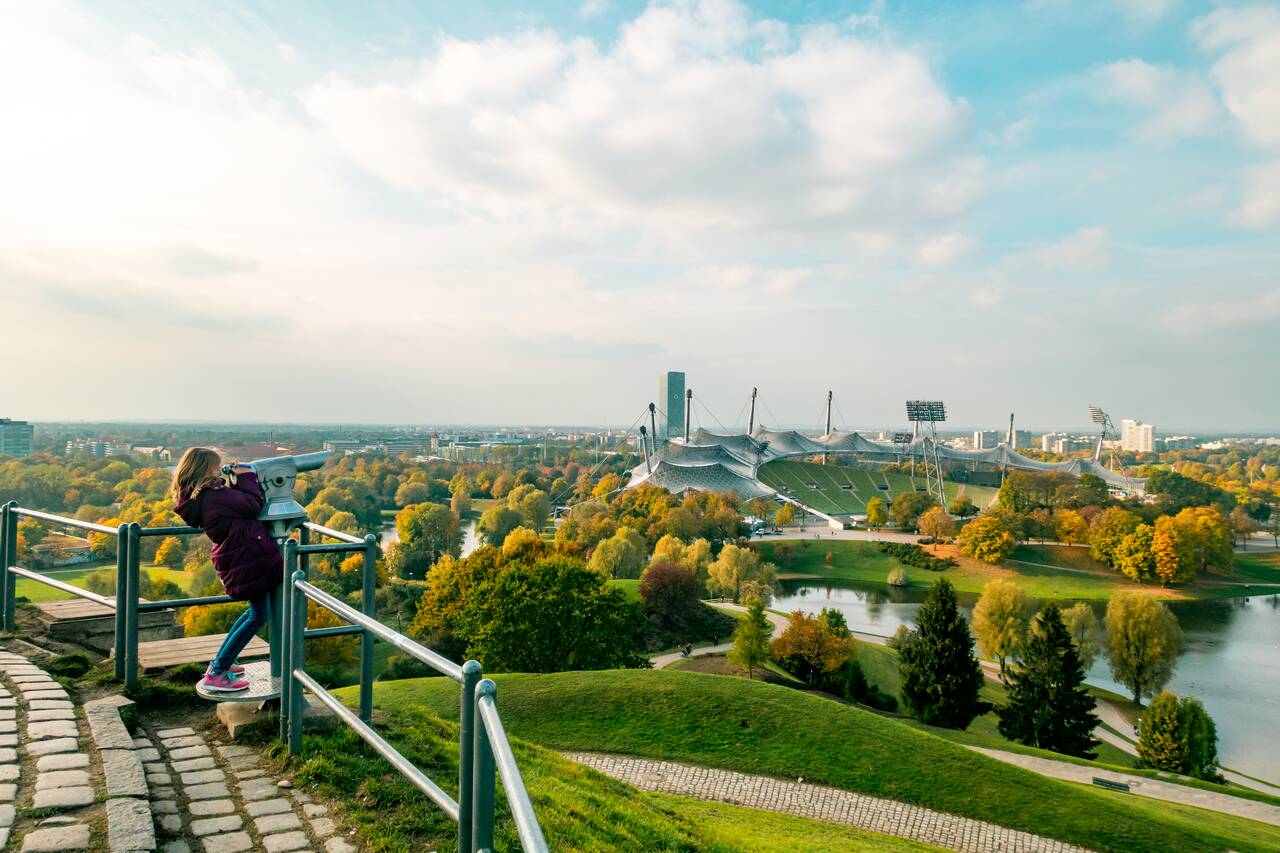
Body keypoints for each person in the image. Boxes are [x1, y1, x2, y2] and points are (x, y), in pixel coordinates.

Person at [173, 447, 283, 692]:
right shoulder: (214, 496)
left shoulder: (200, 496)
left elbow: (236, 507)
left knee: (255, 612)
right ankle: (217, 673)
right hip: (247, 556)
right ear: (204, 469)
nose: (218, 469)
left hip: (239, 556)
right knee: (258, 615)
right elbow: (254, 505)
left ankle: (222, 662)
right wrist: (245, 475)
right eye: (215, 466)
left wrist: (233, 482)